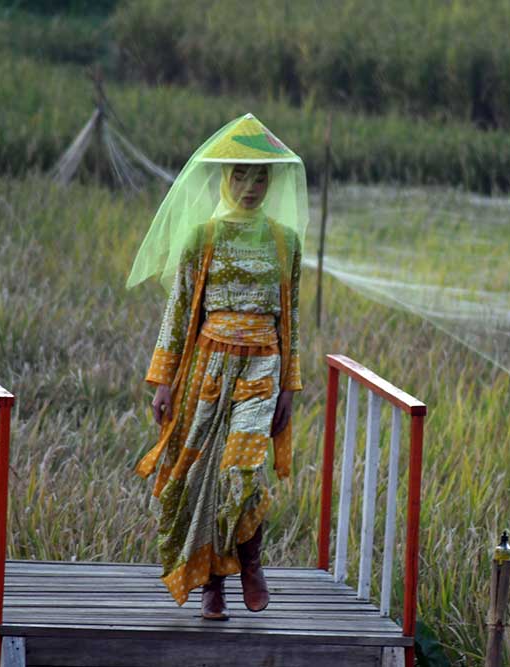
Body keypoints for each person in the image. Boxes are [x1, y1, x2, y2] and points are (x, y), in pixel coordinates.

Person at [125, 114, 308, 620]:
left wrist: (289, 386)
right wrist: (163, 380)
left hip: (262, 366)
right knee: (201, 475)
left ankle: (250, 562)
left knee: (241, 471)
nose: (250, 187)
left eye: (260, 177)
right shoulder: (202, 238)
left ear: (272, 183)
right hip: (208, 364)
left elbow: (290, 319)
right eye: (240, 176)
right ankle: (212, 586)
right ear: (223, 180)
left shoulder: (285, 242)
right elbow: (180, 309)